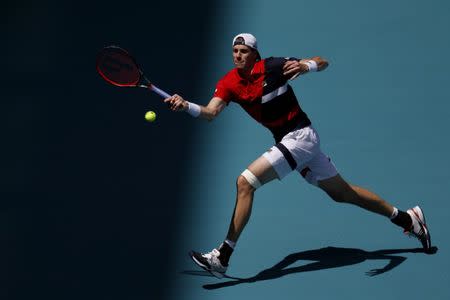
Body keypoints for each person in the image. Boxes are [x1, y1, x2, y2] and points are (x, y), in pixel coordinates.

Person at [164, 33, 432, 278]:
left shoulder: (273, 66)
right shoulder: (229, 83)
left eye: (243, 51)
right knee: (344, 194)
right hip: (292, 142)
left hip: (301, 136)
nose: (238, 56)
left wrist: (306, 66)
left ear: (255, 54)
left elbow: (322, 61)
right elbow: (210, 113)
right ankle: (407, 218)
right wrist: (186, 105)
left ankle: (222, 256)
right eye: (235, 51)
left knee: (245, 182)